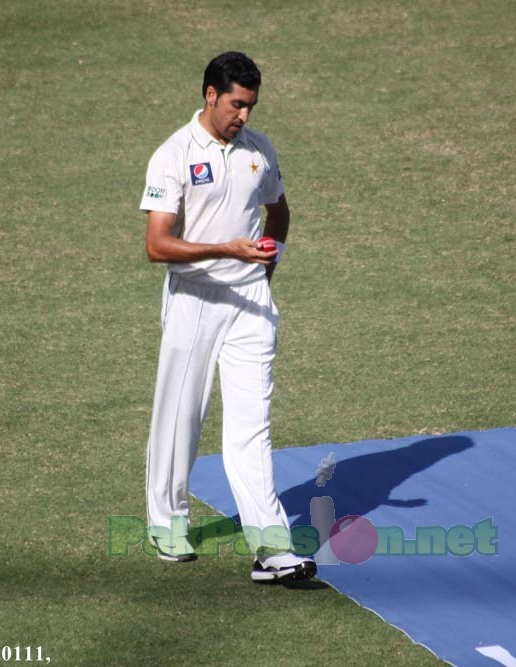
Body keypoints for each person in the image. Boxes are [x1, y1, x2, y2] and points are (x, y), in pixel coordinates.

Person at [139, 52, 315, 583]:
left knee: (252, 426)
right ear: (210, 95)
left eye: (251, 106)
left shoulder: (259, 150)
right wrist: (228, 251)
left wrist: (265, 267)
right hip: (195, 301)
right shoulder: (171, 156)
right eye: (237, 104)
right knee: (181, 419)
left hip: (250, 305)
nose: (244, 116)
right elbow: (156, 245)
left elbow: (279, 211)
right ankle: (167, 522)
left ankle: (271, 547)